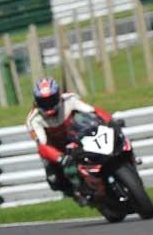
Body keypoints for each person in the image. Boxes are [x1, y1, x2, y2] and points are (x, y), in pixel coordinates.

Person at [25, 77, 113, 205]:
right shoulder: (33, 119)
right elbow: (42, 144)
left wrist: (109, 121)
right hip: (56, 150)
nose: (48, 104)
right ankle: (75, 192)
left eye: (51, 99)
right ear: (36, 101)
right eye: (43, 101)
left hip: (79, 138)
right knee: (54, 180)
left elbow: (92, 111)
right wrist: (59, 157)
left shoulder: (70, 99)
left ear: (58, 95)